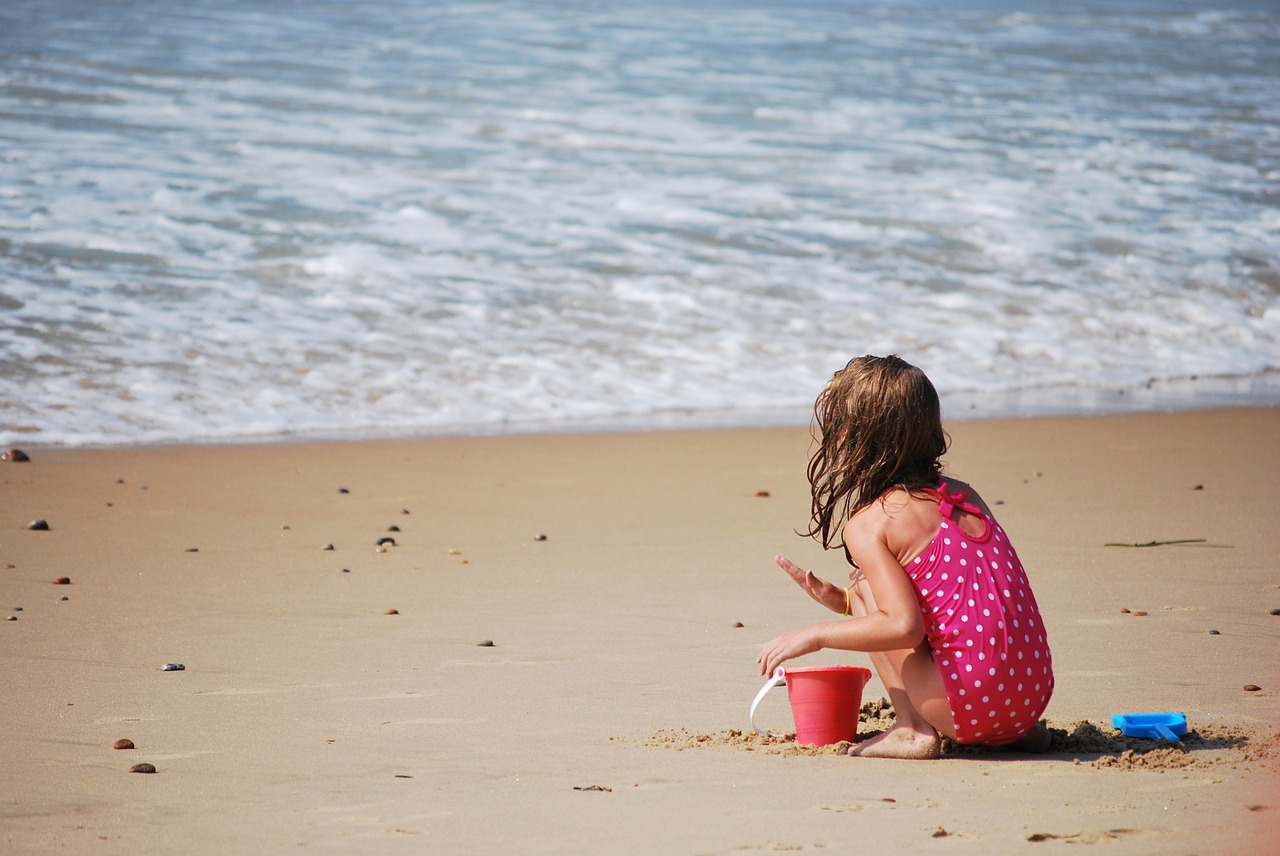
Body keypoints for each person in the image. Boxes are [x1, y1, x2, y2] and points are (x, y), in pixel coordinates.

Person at [757, 355, 1053, 759]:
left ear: (851, 439)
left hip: (969, 706)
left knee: (863, 582)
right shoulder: (964, 494)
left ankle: (913, 729)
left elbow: (904, 628)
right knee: (860, 592)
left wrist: (813, 634)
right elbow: (967, 600)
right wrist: (845, 604)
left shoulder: (869, 525)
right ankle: (1012, 732)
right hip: (1031, 697)